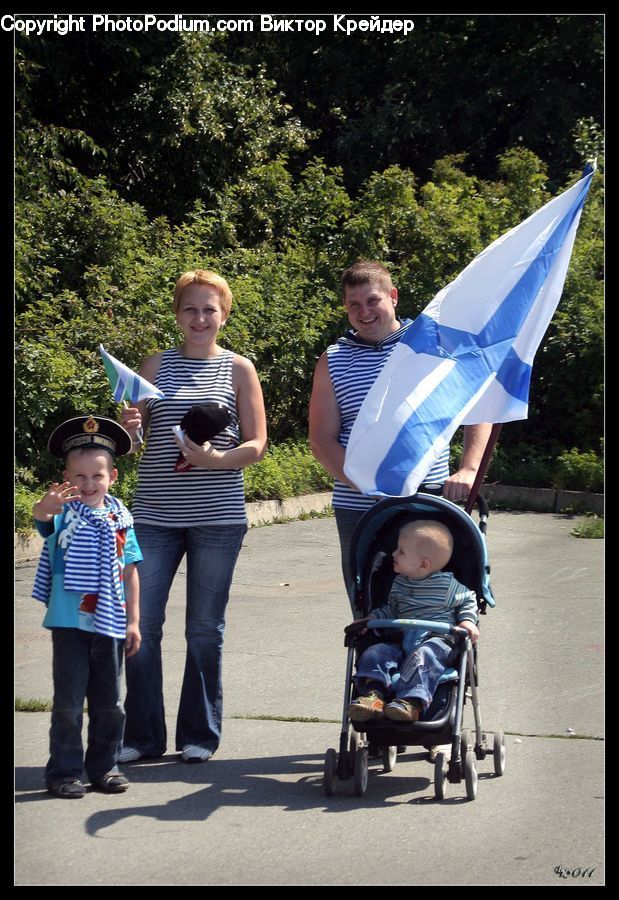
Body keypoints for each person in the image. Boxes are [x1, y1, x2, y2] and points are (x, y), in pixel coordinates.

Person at [118, 269, 267, 764]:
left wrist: (216, 461)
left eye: (210, 309)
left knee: (204, 628)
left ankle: (199, 736)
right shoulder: (154, 366)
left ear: (224, 314)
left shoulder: (240, 369)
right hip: (154, 516)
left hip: (218, 518)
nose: (200, 318)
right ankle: (141, 737)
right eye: (190, 309)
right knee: (143, 624)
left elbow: (257, 444)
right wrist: (130, 427)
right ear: (178, 314)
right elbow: (136, 447)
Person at [309, 260, 492, 611]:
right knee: (370, 612)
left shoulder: (432, 344)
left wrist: (468, 470)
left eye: (373, 300)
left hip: (430, 500)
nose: (364, 312)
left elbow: (479, 408)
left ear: (393, 297)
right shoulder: (332, 360)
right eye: (354, 305)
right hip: (360, 508)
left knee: (439, 610)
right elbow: (322, 440)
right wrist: (365, 483)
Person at [31, 416, 142, 798]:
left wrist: (134, 622)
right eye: (79, 477)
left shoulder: (120, 518)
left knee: (110, 703)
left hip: (109, 622)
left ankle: (105, 768)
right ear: (66, 477)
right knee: (68, 703)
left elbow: (129, 572)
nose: (88, 484)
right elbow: (43, 520)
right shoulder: (62, 513)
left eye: (97, 476)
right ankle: (63, 772)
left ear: (112, 476)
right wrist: (44, 508)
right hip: (69, 623)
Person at [346, 519, 479, 723]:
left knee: (424, 655)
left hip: (438, 641)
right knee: (375, 652)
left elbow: (469, 599)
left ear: (423, 564)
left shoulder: (447, 585)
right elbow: (392, 609)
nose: (393, 554)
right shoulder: (399, 583)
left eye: (401, 551)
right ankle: (373, 696)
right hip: (402, 639)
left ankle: (412, 703)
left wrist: (467, 621)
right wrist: (372, 618)